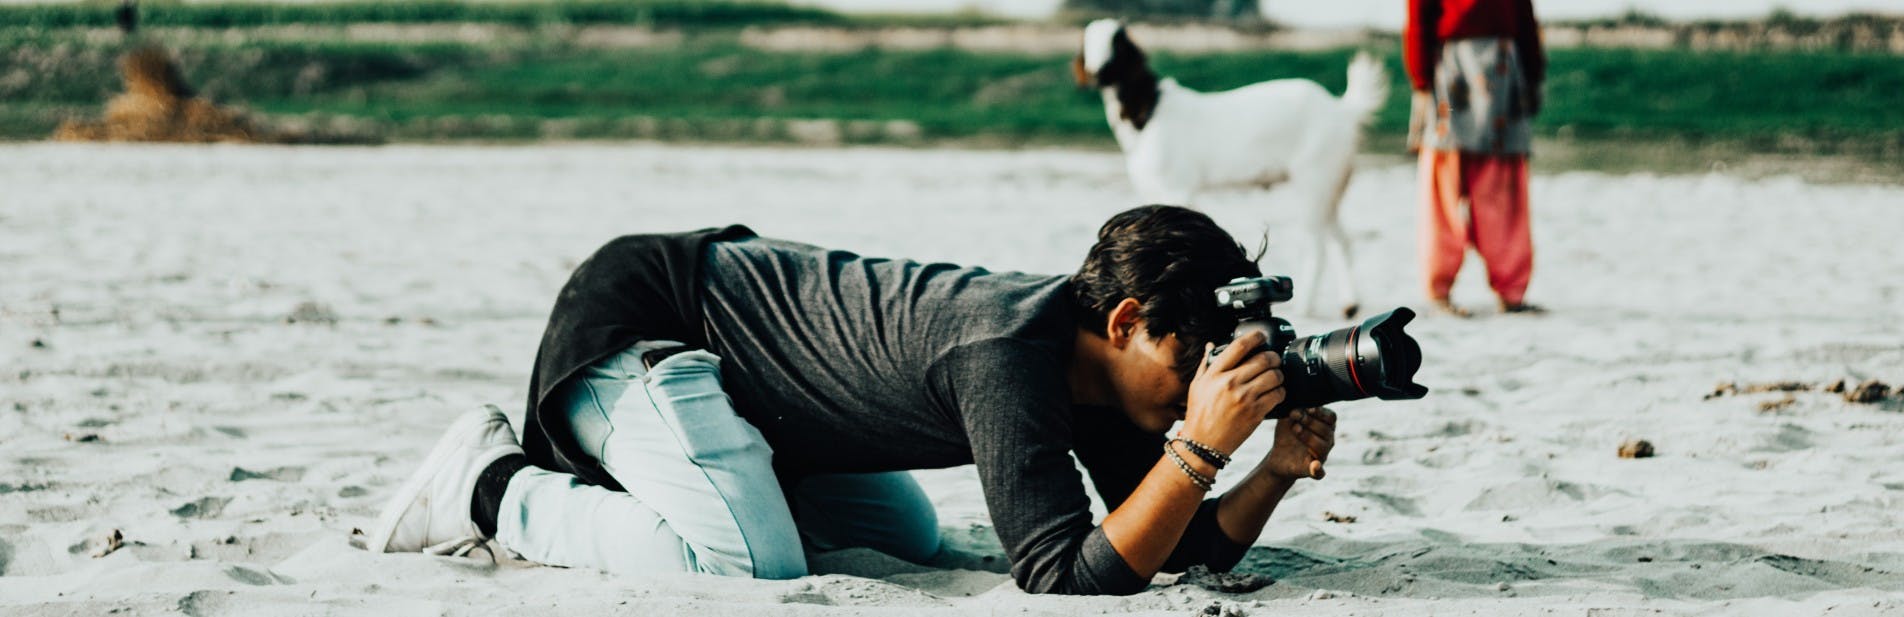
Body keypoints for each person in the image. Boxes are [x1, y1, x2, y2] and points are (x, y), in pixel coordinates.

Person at [365, 205, 1338, 595]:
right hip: (646, 325)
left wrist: (1276, 469)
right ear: (1124, 320)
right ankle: (489, 483)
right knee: (747, 563)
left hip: (756, 398)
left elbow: (1164, 540)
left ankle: (725, 473)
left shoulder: (1101, 380)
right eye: (1192, 362)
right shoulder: (1009, 354)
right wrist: (1199, 451)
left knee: (908, 536)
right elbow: (1060, 575)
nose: (1199, 388)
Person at [1405, 0, 1546, 316]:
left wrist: (1534, 74)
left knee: (1504, 191)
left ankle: (1512, 291)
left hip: (1504, 68)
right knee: (1444, 189)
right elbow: (1419, 18)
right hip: (1453, 70)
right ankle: (1439, 290)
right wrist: (1421, 83)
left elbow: (1524, 15)